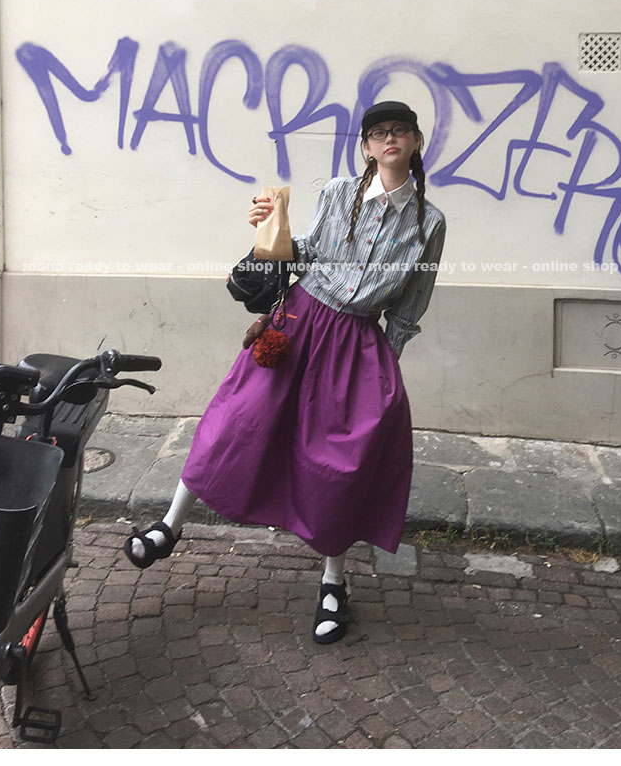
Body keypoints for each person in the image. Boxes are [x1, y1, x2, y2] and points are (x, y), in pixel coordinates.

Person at [124, 100, 446, 643]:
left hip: (357, 345)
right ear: (367, 146)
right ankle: (169, 525)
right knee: (235, 422)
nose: (389, 138)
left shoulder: (429, 222)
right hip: (297, 324)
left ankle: (333, 581)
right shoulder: (338, 192)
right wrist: (268, 229)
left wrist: (384, 363)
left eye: (400, 130)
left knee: (341, 462)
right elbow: (306, 253)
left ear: (415, 141)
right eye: (378, 132)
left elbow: (413, 302)